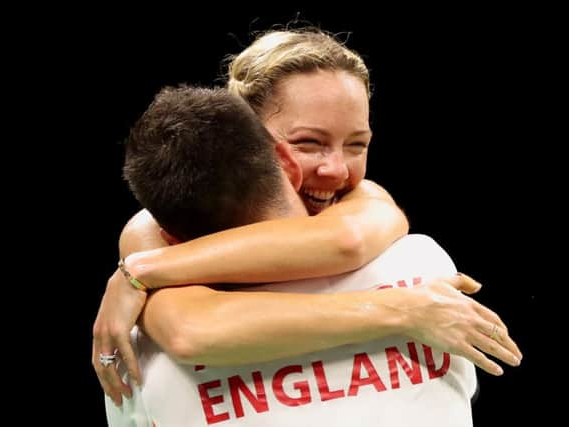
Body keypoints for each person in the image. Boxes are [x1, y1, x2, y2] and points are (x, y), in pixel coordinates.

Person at [93, 28, 522, 408]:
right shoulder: (153, 229)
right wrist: (405, 310)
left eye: (356, 145)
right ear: (253, 141)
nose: (336, 170)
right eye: (310, 143)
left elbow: (346, 243)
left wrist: (137, 275)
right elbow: (190, 331)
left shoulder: (365, 199)